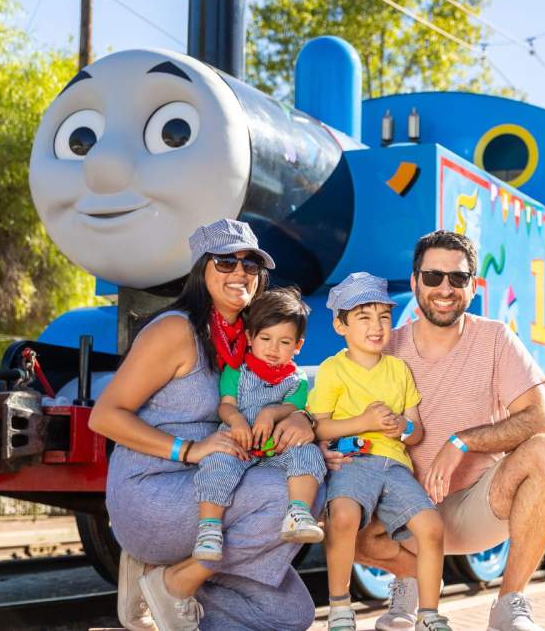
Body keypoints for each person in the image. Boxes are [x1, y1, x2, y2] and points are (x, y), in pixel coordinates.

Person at [88, 218, 321, 631]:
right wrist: (188, 449)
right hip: (155, 487)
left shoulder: (252, 340)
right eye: (225, 262)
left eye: (250, 266)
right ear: (201, 268)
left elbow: (290, 391)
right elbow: (105, 415)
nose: (239, 274)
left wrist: (297, 416)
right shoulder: (176, 331)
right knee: (290, 496)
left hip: (223, 487)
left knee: (289, 616)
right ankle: (172, 581)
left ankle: (162, 581)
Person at [346, 231, 545, 631]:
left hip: (478, 505)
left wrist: (462, 441)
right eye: (433, 277)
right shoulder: (382, 349)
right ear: (415, 281)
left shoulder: (496, 339)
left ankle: (509, 604)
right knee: (336, 513)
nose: (445, 289)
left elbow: (542, 421)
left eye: (457, 278)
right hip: (403, 517)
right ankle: (412, 578)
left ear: (473, 286)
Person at [309, 272, 451, 631]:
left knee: (432, 527)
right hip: (353, 461)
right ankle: (340, 607)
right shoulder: (332, 370)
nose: (376, 326)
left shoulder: (399, 371)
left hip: (395, 465)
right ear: (341, 325)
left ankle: (429, 614)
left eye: (384, 317)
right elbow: (319, 427)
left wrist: (401, 428)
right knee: (342, 518)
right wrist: (363, 421)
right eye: (363, 317)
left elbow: (416, 432)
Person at [191, 286, 326, 561]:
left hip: (276, 446)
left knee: (308, 452)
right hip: (239, 439)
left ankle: (298, 513)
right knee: (217, 461)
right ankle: (209, 529)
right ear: (250, 337)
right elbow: (226, 404)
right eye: (266, 338)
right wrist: (237, 419)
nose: (273, 349)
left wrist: (272, 412)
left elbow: (294, 407)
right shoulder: (237, 370)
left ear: (298, 345)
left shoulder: (296, 379)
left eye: (285, 342)